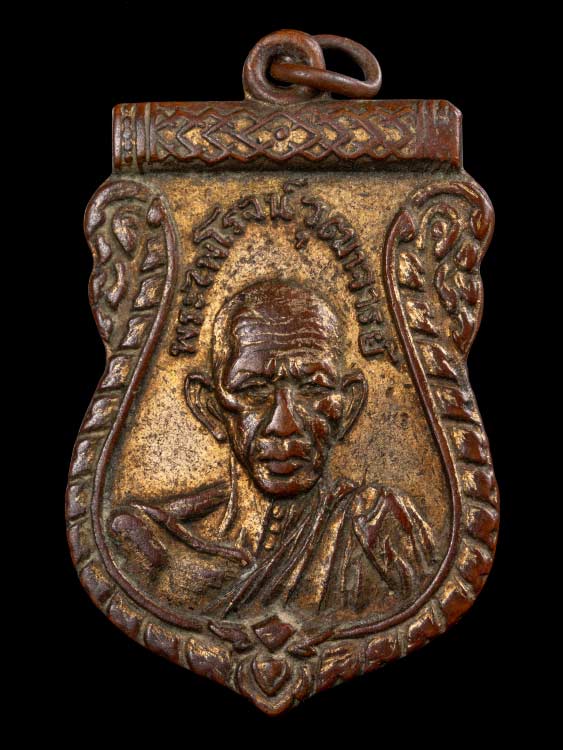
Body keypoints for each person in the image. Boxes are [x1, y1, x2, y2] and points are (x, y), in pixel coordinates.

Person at [111, 279, 435, 618]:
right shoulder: (155, 538)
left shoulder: (375, 525)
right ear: (209, 406)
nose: (284, 424)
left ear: (348, 404)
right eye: (253, 390)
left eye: (313, 389)